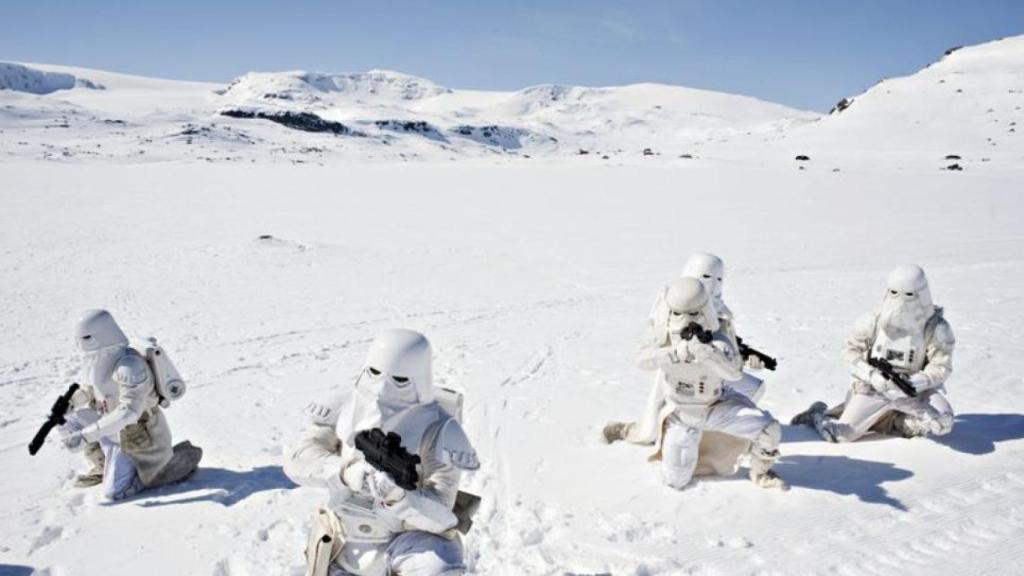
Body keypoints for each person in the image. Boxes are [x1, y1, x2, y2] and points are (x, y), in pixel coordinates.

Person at [284, 329, 479, 576]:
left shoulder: (439, 429)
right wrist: (345, 472)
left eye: (399, 380)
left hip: (408, 537)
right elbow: (297, 459)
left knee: (438, 568)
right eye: (375, 373)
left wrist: (400, 496)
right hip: (343, 538)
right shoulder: (343, 406)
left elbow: (442, 514)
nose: (382, 389)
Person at [602, 278, 786, 490]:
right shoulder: (663, 332)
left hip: (717, 405)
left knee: (769, 430)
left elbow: (734, 373)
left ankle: (761, 473)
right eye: (679, 313)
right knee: (676, 480)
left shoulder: (719, 334)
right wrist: (674, 354)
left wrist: (709, 355)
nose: (685, 319)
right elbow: (642, 359)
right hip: (681, 414)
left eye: (693, 312)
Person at [791, 265, 955, 442]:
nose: (901, 301)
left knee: (942, 422)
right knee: (840, 434)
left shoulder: (936, 328)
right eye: (894, 293)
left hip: (915, 391)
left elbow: (941, 366)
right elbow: (849, 352)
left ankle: (892, 421)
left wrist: (916, 382)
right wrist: (872, 376)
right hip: (874, 389)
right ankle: (816, 415)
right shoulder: (872, 320)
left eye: (909, 295)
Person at [58, 309, 202, 500]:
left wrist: (86, 436)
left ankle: (160, 469)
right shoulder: (101, 359)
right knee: (64, 420)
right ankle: (103, 464)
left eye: (85, 338)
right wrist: (71, 402)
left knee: (115, 492)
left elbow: (128, 413)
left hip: (134, 434)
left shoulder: (130, 367)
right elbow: (93, 388)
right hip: (108, 421)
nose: (81, 344)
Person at [678, 252, 771, 401]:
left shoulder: (719, 310)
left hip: (712, 365)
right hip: (690, 372)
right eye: (706, 277)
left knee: (754, 389)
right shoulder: (679, 305)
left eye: (719, 279)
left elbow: (723, 343)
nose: (713, 284)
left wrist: (741, 358)